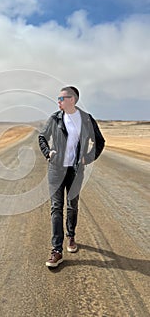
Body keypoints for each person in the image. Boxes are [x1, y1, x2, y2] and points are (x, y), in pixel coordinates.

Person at [38, 86, 105, 267]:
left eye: (61, 98)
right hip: (56, 169)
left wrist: (88, 157)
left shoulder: (86, 119)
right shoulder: (55, 118)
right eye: (58, 98)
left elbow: (100, 141)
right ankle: (56, 250)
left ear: (72, 100)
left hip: (75, 170)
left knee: (72, 206)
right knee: (56, 207)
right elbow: (42, 137)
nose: (58, 101)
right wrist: (48, 153)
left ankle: (71, 237)